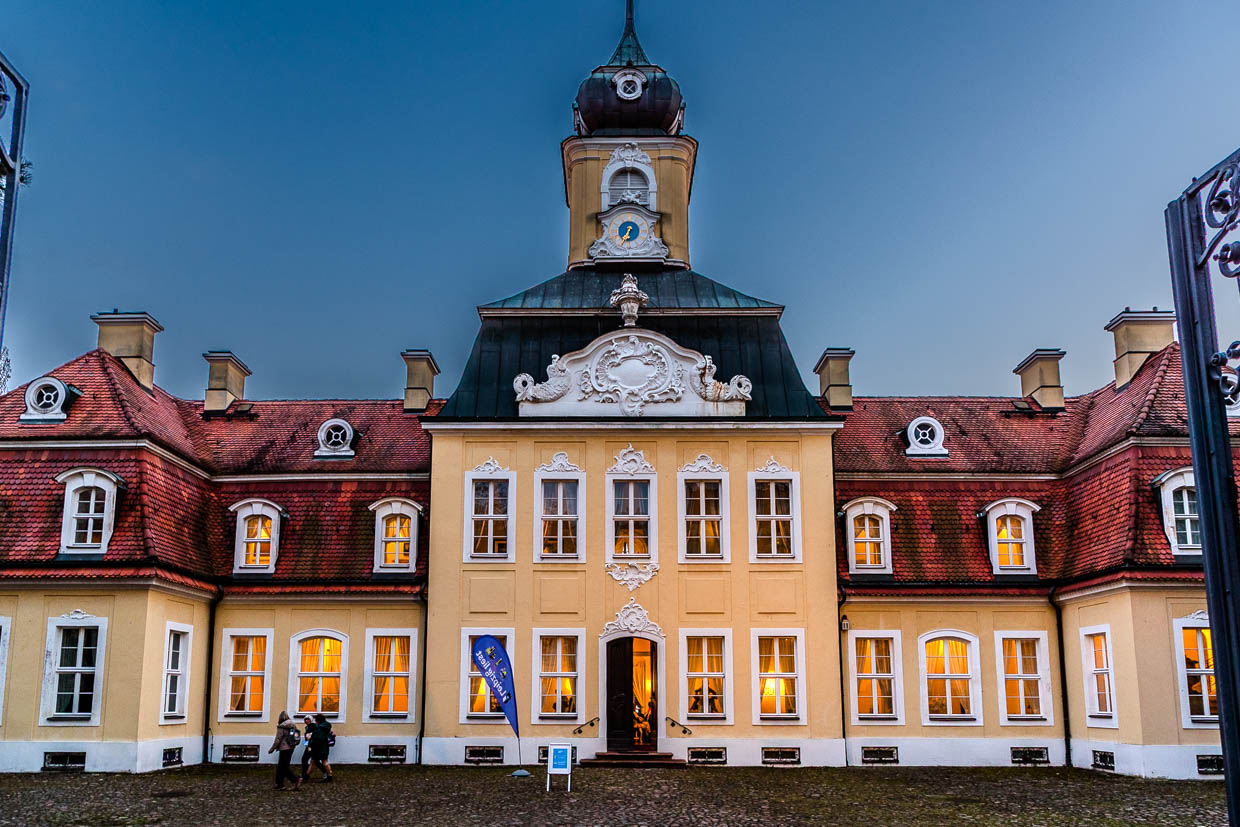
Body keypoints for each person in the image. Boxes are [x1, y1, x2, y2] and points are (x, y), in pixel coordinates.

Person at [267, 711, 302, 791]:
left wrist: (272, 749)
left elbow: (278, 739)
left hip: (284, 748)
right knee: (281, 767)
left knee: (283, 767)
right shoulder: (292, 725)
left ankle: (296, 780)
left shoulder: (281, 726)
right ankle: (279, 784)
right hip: (291, 747)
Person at [308, 712, 334, 782]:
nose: (315, 722)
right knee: (324, 761)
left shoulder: (319, 729)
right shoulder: (325, 727)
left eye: (315, 720)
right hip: (324, 747)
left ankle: (306, 776)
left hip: (318, 748)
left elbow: (316, 739)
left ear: (318, 721)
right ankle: (329, 776)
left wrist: (310, 744)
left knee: (313, 761)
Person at [298, 715, 316, 781]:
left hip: (311, 746)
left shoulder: (312, 727)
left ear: (311, 720)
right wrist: (305, 745)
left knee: (305, 759)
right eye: (305, 719)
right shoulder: (308, 727)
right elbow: (306, 738)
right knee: (314, 760)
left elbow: (309, 737)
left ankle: (304, 775)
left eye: (307, 719)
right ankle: (305, 775)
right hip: (309, 746)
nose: (306, 721)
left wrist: (307, 745)